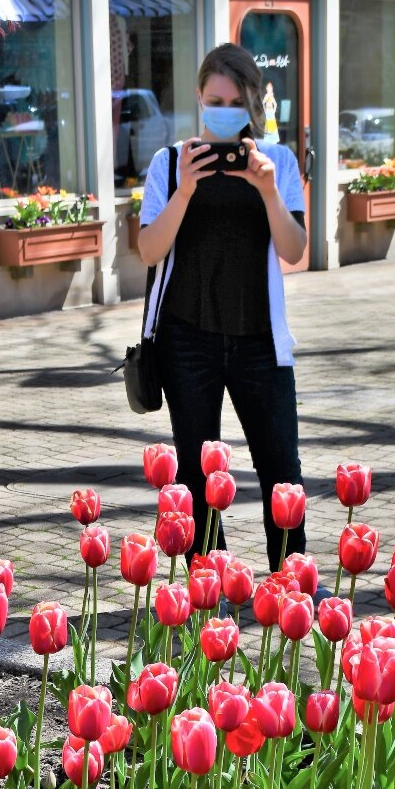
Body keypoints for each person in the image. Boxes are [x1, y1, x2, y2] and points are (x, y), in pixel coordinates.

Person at [138, 42, 307, 574]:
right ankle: (210, 588)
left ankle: (292, 582)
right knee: (195, 473)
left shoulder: (276, 161)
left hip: (260, 343)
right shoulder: (169, 164)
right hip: (187, 342)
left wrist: (268, 192)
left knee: (282, 469)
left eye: (236, 101)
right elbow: (148, 250)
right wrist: (184, 192)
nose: (225, 110)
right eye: (216, 99)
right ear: (199, 97)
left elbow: (295, 250)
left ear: (251, 102)